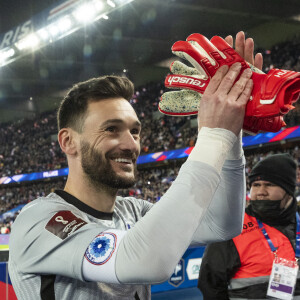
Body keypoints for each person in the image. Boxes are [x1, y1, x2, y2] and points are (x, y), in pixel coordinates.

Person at [8, 34, 253, 299]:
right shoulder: (41, 221)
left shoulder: (134, 211)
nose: (131, 144)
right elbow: (143, 261)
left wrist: (231, 133)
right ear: (68, 142)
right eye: (112, 129)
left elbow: (222, 224)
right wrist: (214, 136)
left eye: (135, 131)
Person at [198, 153, 300, 299]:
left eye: (269, 185)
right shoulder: (233, 227)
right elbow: (211, 285)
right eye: (255, 185)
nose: (260, 192)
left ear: (288, 190)